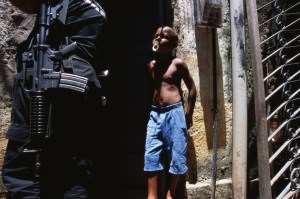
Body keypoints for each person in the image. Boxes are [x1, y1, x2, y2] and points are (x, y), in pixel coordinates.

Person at [2, 0, 107, 198]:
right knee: (73, 170)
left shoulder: (68, 5)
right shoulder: (88, 7)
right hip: (73, 85)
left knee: (24, 171)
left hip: (51, 80)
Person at [143, 26, 197, 199]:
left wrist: (188, 114)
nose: (158, 38)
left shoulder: (177, 64)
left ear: (173, 44)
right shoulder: (151, 65)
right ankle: (151, 195)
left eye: (163, 36)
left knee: (177, 155)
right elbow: (152, 90)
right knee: (151, 154)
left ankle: (170, 193)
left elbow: (192, 89)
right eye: (156, 35)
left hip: (174, 114)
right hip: (155, 115)